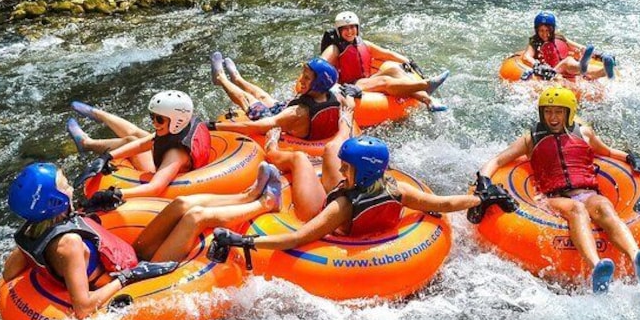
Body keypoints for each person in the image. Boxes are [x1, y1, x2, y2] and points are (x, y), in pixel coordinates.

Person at [206, 94, 518, 258]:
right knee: (331, 150)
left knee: (301, 159)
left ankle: (273, 150)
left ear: (363, 170)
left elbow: (298, 237)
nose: (343, 171)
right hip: (357, 206)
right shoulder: (398, 191)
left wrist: (242, 241)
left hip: (321, 216)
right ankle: (346, 113)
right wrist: (483, 197)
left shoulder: (339, 208)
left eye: (348, 168)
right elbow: (444, 202)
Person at [2, 161, 281, 319]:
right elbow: (84, 307)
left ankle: (247, 195)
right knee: (195, 218)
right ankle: (265, 205)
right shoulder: (69, 245)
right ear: (53, 200)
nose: (71, 186)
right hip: (139, 277)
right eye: (64, 185)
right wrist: (127, 278)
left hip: (126, 258)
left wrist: (90, 206)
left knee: (181, 203)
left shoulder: (32, 229)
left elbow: (9, 273)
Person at [476, 86, 640, 293]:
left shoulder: (584, 134)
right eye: (548, 112)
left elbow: (607, 151)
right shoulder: (531, 139)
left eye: (558, 112)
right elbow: (497, 160)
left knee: (604, 206)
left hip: (588, 192)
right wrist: (484, 181)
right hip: (554, 197)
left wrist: (631, 158)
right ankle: (596, 267)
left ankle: (637, 257)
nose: (553, 117)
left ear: (569, 113)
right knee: (577, 209)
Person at [67, 90, 211, 200]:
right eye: (152, 116)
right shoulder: (180, 126)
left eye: (159, 119)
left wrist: (115, 194)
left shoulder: (175, 154)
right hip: (170, 161)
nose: (154, 123)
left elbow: (154, 188)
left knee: (130, 140)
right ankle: (99, 114)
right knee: (136, 135)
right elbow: (143, 144)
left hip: (165, 174)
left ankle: (86, 143)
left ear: (176, 121)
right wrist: (107, 156)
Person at [319, 11, 450, 112]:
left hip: (366, 80)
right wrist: (332, 87)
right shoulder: (334, 48)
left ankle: (429, 100)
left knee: (393, 70)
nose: (349, 31)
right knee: (384, 81)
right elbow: (320, 64)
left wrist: (408, 61)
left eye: (352, 27)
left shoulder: (365, 44)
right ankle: (426, 85)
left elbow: (386, 53)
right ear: (339, 31)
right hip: (349, 86)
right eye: (345, 29)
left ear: (357, 28)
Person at [209, 54, 342, 141]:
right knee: (263, 96)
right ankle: (237, 78)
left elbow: (255, 127)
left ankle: (220, 78)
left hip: (278, 122)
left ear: (319, 84)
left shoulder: (297, 114)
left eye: (306, 78)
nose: (301, 79)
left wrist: (214, 126)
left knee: (248, 99)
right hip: (288, 114)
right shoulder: (335, 98)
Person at [522, 11, 616, 81]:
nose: (544, 34)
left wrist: (600, 56)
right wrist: (538, 67)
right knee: (568, 61)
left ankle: (605, 71)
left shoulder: (559, 37)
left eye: (547, 30)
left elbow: (580, 48)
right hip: (551, 72)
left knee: (576, 62)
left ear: (552, 29)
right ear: (536, 30)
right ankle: (582, 67)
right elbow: (526, 57)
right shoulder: (535, 42)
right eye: (541, 30)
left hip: (568, 70)